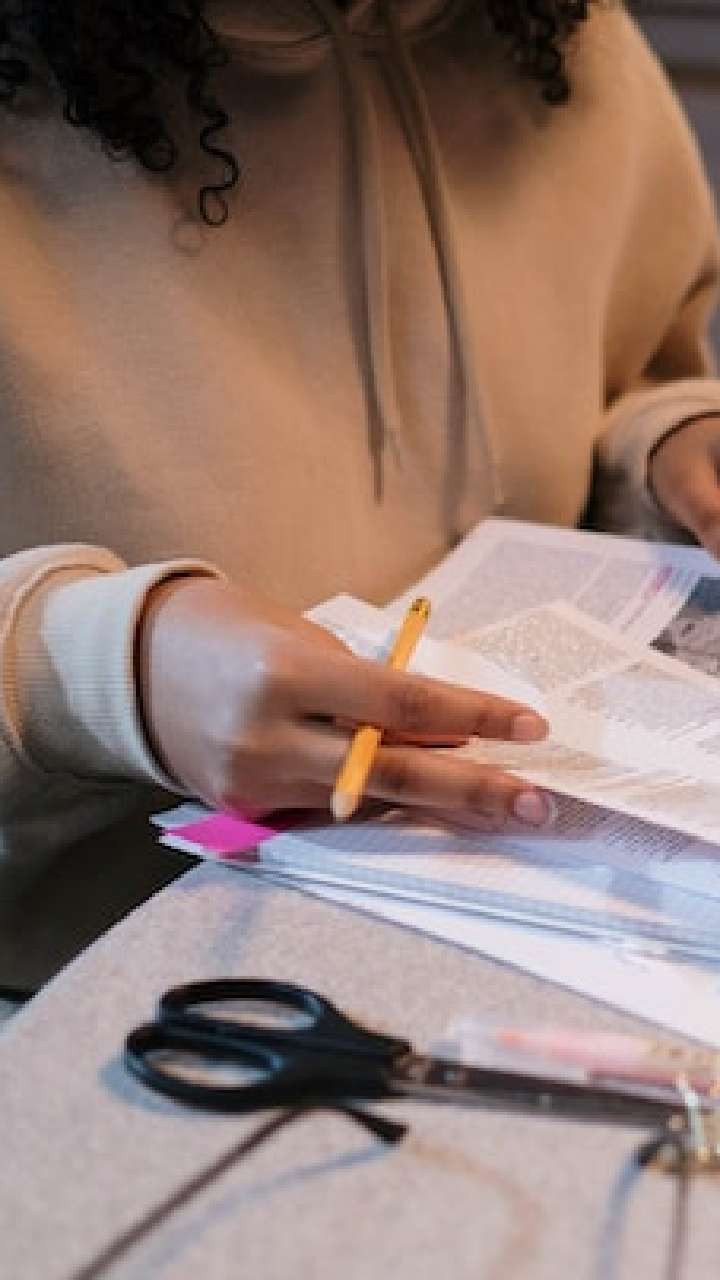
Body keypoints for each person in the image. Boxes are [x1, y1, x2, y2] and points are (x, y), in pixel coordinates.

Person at [1, 0, 719, 990]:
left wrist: (669, 442)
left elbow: (633, 365)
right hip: (86, 976)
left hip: (522, 911)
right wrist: (91, 673)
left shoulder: (559, 34)